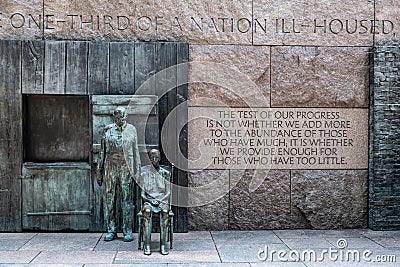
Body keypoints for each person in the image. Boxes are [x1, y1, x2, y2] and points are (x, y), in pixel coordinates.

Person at [97, 107, 141, 242]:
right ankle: (111, 230)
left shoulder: (132, 129)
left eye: (121, 117)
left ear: (125, 116)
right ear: (114, 117)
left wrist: (137, 171)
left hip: (126, 166)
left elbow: (136, 151)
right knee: (109, 198)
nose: (119, 119)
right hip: (110, 165)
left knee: (127, 199)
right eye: (116, 117)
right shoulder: (108, 130)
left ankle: (127, 230)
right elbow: (102, 152)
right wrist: (99, 171)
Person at [140, 149, 171, 255]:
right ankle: (147, 244)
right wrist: (150, 200)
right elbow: (142, 195)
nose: (154, 160)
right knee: (147, 211)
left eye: (156, 157)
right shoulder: (144, 174)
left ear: (160, 158)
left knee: (165, 212)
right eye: (152, 157)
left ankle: (163, 245)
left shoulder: (165, 173)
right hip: (149, 201)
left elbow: (168, 193)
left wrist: (159, 200)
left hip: (162, 201)